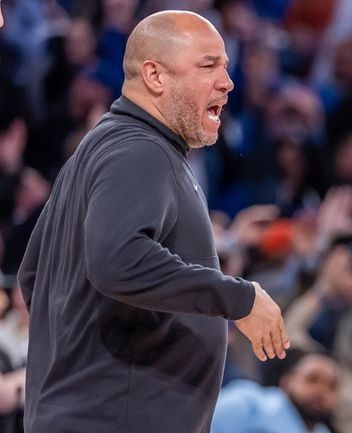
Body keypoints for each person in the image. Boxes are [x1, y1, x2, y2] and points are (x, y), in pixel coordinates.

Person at [17, 10, 289, 433]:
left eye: (226, 66)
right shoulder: (140, 151)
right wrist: (239, 298)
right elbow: (117, 260)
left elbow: (34, 275)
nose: (227, 82)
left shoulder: (105, 146)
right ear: (155, 76)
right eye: (208, 65)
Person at [212, 351, 340, 433]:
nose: (321, 391)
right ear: (286, 381)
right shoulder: (247, 402)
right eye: (312, 379)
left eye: (332, 386)